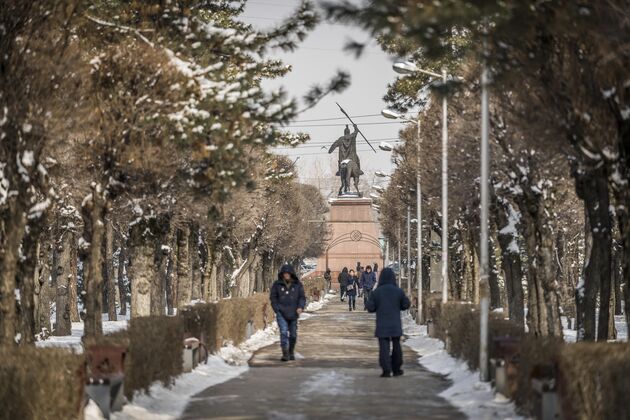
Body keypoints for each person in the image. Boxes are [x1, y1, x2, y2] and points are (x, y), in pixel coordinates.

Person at [366, 268, 411, 377]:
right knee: (397, 346)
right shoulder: (398, 291)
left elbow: (371, 308)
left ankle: (386, 369)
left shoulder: (376, 292)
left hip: (382, 324)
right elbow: (405, 305)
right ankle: (397, 368)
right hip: (395, 323)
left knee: (384, 347)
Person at [270, 264, 306, 362]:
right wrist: (277, 309)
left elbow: (302, 297)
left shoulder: (297, 285)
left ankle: (291, 351)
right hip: (281, 313)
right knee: (283, 332)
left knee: (293, 334)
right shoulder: (277, 285)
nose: (286, 275)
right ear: (282, 274)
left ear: (291, 274)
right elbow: (273, 298)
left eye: (288, 273)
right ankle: (285, 353)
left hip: (294, 313)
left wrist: (300, 307)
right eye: (284, 273)